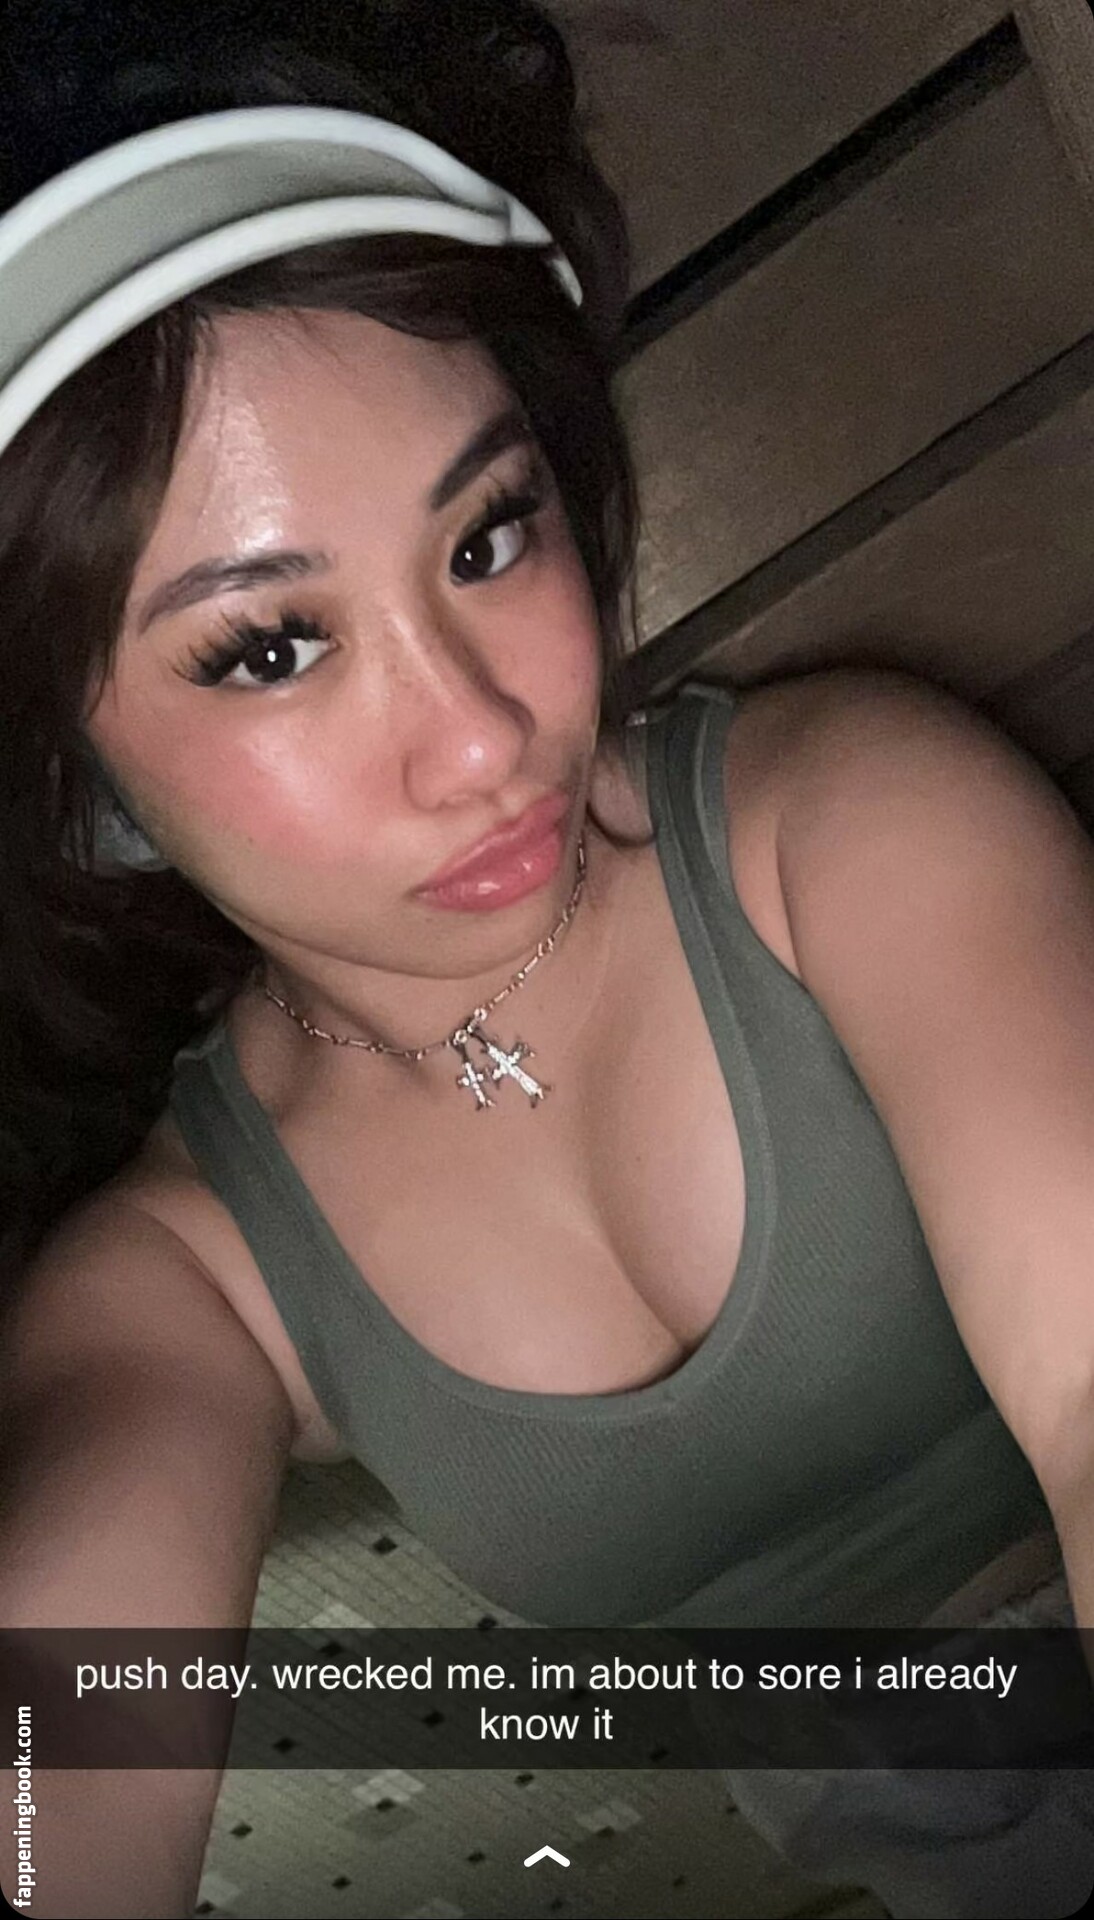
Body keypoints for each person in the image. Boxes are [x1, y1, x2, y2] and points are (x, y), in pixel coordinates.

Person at [0, 3, 1091, 1916]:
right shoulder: (183, 1279)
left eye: (488, 536)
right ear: (67, 763)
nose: (482, 735)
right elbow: (55, 1771)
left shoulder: (845, 826)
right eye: (268, 647)